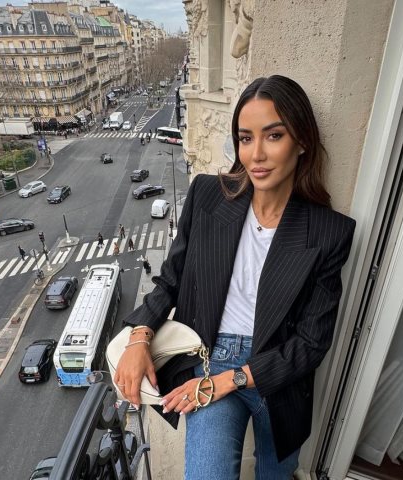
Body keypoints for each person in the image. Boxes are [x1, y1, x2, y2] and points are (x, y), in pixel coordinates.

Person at [114, 75, 356, 479]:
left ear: (301, 141)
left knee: (276, 474)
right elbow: (171, 279)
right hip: (210, 358)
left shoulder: (328, 232)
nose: (256, 154)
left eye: (273, 135)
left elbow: (312, 342)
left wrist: (234, 379)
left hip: (278, 375)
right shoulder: (208, 196)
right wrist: (139, 336)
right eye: (245, 138)